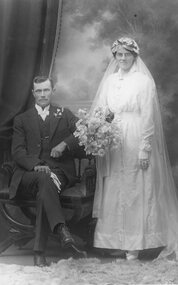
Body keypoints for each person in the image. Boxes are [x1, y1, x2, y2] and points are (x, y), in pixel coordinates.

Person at [90, 37, 178, 260]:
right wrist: (97, 129)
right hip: (113, 138)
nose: (122, 58)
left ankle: (134, 245)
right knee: (115, 187)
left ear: (134, 56)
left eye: (127, 54)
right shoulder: (109, 81)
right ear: (115, 57)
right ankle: (117, 240)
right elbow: (102, 110)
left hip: (135, 135)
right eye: (118, 54)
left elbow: (148, 116)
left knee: (135, 189)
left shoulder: (143, 82)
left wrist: (144, 148)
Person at [10, 75, 86, 266]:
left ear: (52, 91)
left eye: (46, 90)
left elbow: (82, 132)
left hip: (59, 172)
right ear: (33, 93)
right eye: (39, 91)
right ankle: (61, 230)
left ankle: (39, 251)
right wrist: (35, 164)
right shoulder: (22, 119)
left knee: (46, 184)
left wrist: (64, 144)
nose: (42, 94)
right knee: (44, 180)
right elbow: (17, 152)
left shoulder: (64, 113)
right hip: (28, 174)